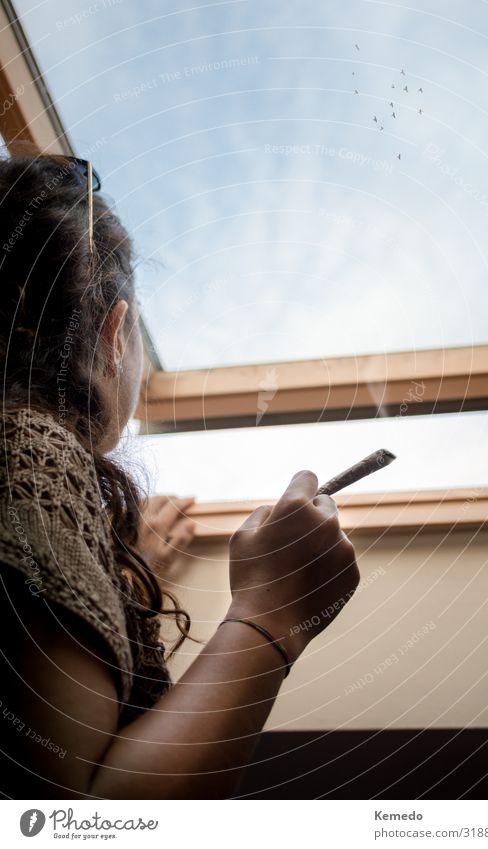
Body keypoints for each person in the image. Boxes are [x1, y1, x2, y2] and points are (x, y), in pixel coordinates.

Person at [0, 150, 359, 799]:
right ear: (116, 332)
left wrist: (115, 578)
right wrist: (270, 614)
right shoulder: (32, 450)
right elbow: (71, 820)